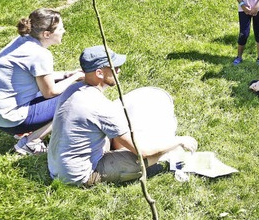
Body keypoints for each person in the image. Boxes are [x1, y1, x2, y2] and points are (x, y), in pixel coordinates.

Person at [47, 46, 198, 186]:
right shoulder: (100, 107)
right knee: (148, 158)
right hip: (77, 176)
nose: (119, 71)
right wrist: (178, 141)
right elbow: (143, 151)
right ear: (99, 73)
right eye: (115, 68)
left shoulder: (72, 89)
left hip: (56, 165)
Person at [0, 8, 84, 155]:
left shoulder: (22, 41)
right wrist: (75, 78)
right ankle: (31, 142)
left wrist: (66, 74)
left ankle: (25, 131)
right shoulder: (40, 54)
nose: (64, 30)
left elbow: (39, 76)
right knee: (75, 96)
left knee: (65, 88)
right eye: (60, 28)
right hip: (10, 119)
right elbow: (50, 92)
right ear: (46, 34)